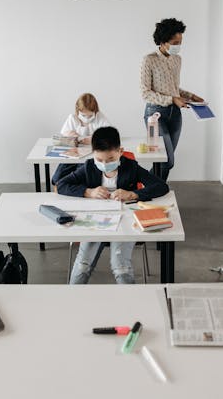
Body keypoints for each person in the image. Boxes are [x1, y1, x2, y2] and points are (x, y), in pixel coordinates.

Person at [57, 127, 169, 284]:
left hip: (125, 220)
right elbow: (61, 185)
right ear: (93, 154)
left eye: (110, 160)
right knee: (83, 265)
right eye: (100, 160)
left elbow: (161, 186)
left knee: (121, 267)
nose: (104, 164)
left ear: (120, 152)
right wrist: (88, 192)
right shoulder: (89, 166)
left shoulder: (131, 167)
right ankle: (72, 302)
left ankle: (130, 307)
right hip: (96, 220)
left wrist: (133, 194)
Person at [140, 18, 203, 181]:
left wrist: (191, 96)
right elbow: (146, 93)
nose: (178, 45)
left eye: (180, 41)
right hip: (154, 116)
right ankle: (147, 186)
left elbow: (174, 89)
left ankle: (155, 190)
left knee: (165, 161)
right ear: (163, 41)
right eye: (175, 42)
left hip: (175, 115)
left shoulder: (177, 60)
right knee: (166, 160)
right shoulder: (149, 60)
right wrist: (173, 99)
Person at [51, 93, 111, 186]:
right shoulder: (72, 118)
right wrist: (69, 136)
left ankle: (75, 188)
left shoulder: (99, 118)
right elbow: (62, 136)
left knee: (81, 178)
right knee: (57, 179)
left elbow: (111, 135)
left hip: (90, 158)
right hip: (73, 156)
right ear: (77, 110)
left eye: (90, 116)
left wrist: (94, 139)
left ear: (95, 111)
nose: (87, 118)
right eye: (83, 115)